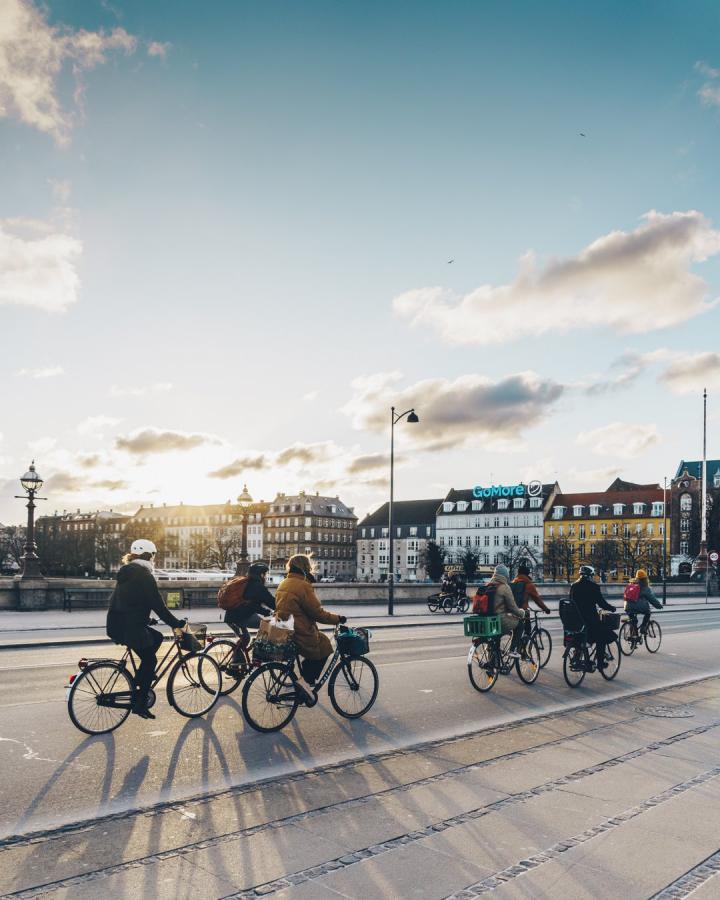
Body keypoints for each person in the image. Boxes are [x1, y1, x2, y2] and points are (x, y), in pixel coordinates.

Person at [106, 539, 187, 719]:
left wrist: (146, 619)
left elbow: (129, 601)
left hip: (116, 625)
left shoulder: (126, 572)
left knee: (156, 638)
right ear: (148, 555)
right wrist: (175, 623)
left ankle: (139, 680)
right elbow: (157, 604)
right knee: (150, 661)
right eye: (153, 556)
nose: (153, 559)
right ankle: (140, 702)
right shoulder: (144, 574)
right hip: (130, 628)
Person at [274, 554, 346, 703]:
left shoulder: (284, 582)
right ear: (306, 567)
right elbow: (317, 613)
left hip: (283, 629)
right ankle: (306, 682)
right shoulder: (303, 585)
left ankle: (304, 681)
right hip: (299, 631)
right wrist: (337, 619)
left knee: (315, 648)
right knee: (324, 645)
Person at [224, 562, 275, 669]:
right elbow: (271, 602)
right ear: (261, 574)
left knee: (245, 638)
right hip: (240, 617)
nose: (265, 577)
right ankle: (255, 654)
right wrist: (277, 610)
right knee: (267, 627)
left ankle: (237, 665)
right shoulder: (258, 586)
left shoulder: (246, 583)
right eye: (264, 574)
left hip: (231, 616)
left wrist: (265, 612)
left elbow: (253, 605)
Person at [569, 564, 617, 670]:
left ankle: (578, 655)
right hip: (590, 620)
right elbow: (601, 603)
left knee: (585, 636)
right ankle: (600, 663)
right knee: (602, 636)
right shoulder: (594, 587)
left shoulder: (574, 586)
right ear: (590, 575)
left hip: (576, 621)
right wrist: (612, 608)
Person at [484, 564, 526, 658]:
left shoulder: (488, 586)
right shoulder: (504, 587)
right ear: (505, 575)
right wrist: (522, 613)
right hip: (500, 620)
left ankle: (493, 660)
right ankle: (513, 650)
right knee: (520, 625)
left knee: (497, 634)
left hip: (488, 620)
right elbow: (513, 608)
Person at [510, 563, 551, 651]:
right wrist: (546, 609)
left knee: (516, 630)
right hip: (524, 611)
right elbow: (537, 599)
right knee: (527, 631)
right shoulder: (528, 584)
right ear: (527, 574)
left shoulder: (513, 583)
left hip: (512, 611)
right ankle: (523, 650)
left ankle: (517, 646)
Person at [625, 568, 662, 635]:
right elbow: (651, 598)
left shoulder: (631, 585)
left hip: (627, 606)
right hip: (639, 607)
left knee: (633, 621)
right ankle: (643, 628)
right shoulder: (644, 587)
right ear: (645, 579)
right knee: (648, 613)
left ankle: (633, 639)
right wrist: (658, 605)